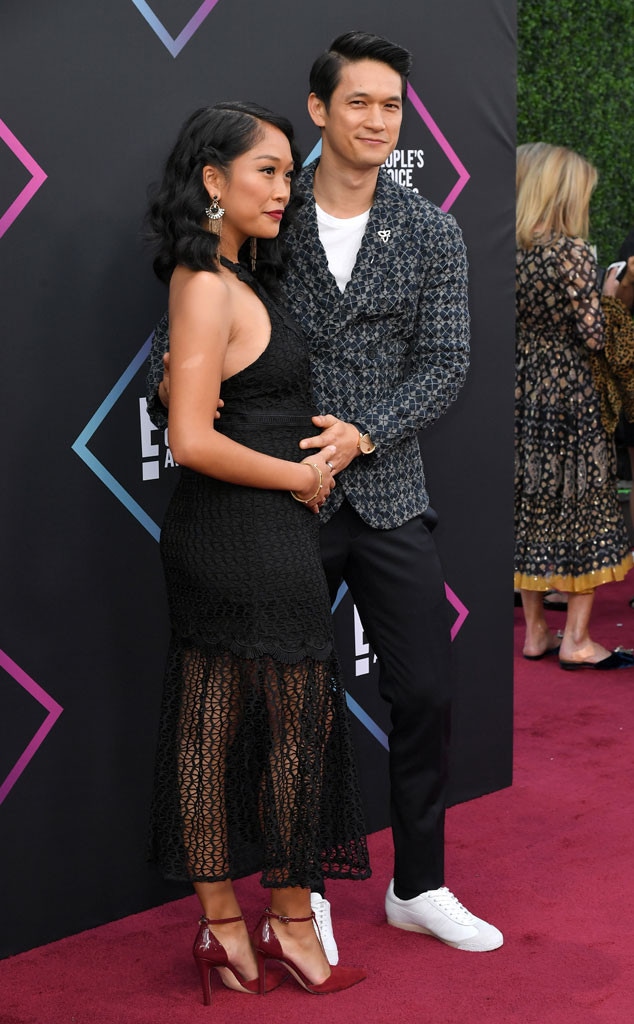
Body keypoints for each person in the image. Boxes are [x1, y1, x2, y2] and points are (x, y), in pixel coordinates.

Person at [148, 32, 503, 954]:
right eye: (359, 103)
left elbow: (448, 362)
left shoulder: (430, 229)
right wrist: (167, 377)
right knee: (279, 706)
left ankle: (419, 885)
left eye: (392, 106)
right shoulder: (273, 207)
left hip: (383, 492)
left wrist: (365, 431)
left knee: (423, 691)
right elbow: (203, 296)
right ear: (320, 110)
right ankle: (295, 889)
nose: (378, 121)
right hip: (274, 509)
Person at [146, 101, 370, 1005]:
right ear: (213, 181)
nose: (285, 188)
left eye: (288, 172)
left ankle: (263, 925)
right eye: (267, 171)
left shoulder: (243, 277)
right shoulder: (203, 282)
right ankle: (240, 925)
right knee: (240, 726)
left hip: (268, 529)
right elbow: (192, 439)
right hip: (234, 535)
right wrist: (298, 478)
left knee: (281, 729)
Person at [514, 142, 634, 668]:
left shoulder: (508, 248)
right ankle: (577, 641)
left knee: (534, 506)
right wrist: (611, 296)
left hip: (523, 392)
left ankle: (537, 632)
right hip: (570, 396)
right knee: (588, 508)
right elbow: (592, 336)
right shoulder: (573, 252)